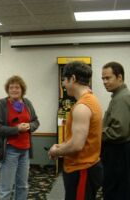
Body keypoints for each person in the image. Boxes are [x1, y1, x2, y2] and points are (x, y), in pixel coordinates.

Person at [48, 61, 103, 200]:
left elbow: (77, 145)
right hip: (85, 168)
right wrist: (60, 146)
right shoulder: (91, 100)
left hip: (81, 169)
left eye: (64, 80)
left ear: (72, 79)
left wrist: (56, 151)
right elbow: (78, 139)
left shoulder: (82, 106)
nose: (64, 85)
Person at [0, 75, 40, 200]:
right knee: (6, 189)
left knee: (23, 186)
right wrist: (16, 129)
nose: (14, 90)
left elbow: (36, 122)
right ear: (7, 89)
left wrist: (29, 125)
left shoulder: (27, 103)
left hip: (25, 150)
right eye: (11, 87)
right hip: (9, 151)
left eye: (17, 87)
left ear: (22, 89)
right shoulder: (2, 104)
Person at [101, 61, 130, 200]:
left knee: (115, 192)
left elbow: (119, 131)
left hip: (118, 153)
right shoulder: (118, 96)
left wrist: (96, 133)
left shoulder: (121, 98)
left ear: (119, 77)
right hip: (118, 153)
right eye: (103, 79)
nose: (105, 82)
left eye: (108, 78)